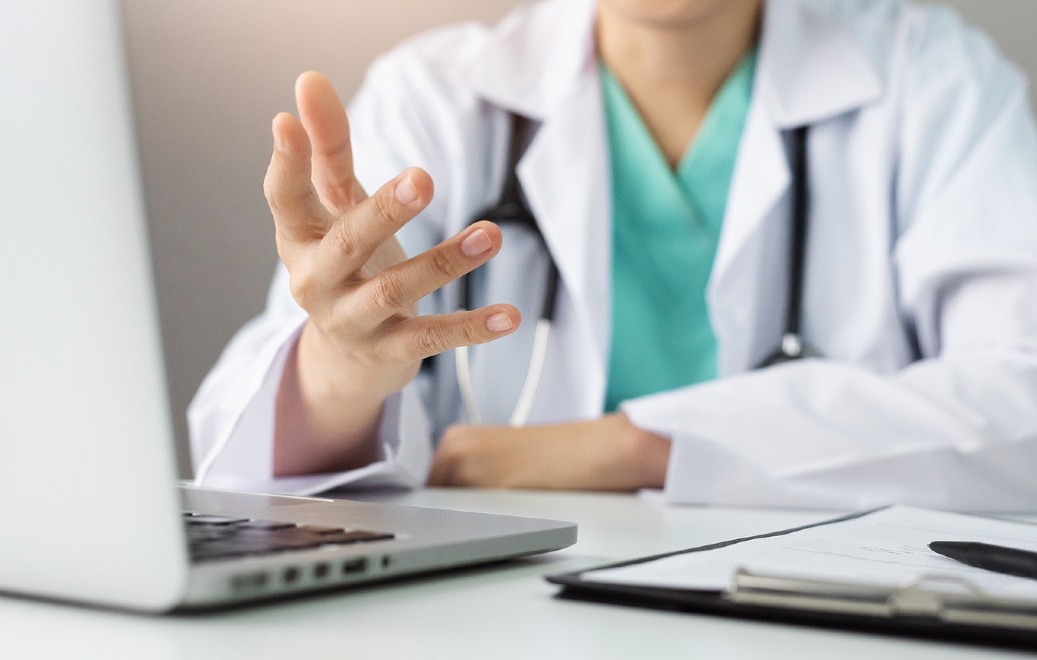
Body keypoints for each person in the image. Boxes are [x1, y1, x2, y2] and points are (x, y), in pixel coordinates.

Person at [189, 0, 1037, 509]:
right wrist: (342, 369)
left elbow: (1023, 398)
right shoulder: (439, 102)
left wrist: (644, 446)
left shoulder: (939, 87)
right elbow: (245, 467)